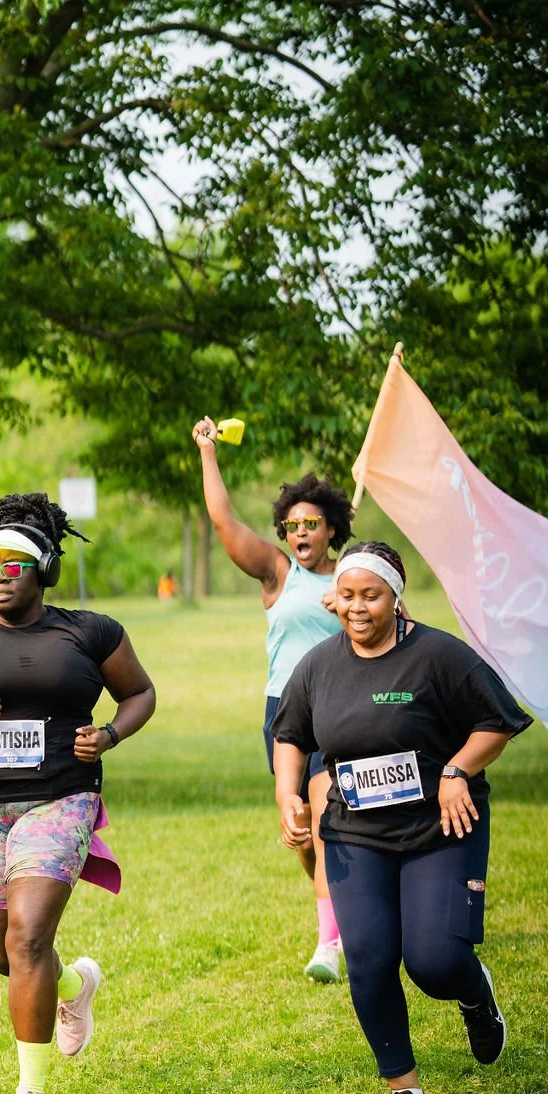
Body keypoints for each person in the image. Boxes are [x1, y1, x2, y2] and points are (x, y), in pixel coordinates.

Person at [0, 492, 156, 1094]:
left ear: (43, 569)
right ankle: (76, 985)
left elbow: (140, 694)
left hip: (62, 797)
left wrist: (109, 735)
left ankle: (31, 1088)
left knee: (26, 938)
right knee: (6, 956)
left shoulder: (89, 631)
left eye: (12, 566)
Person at [270, 541, 532, 1094]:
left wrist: (458, 769)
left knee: (434, 960)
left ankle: (473, 993)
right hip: (355, 831)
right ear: (332, 600)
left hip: (440, 824)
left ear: (396, 597)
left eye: (372, 595)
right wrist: (288, 794)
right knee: (367, 953)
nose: (358, 606)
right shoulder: (318, 665)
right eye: (347, 595)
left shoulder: (439, 656)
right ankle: (403, 1085)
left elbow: (498, 721)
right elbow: (290, 734)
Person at [192, 417, 354, 982]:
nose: (300, 534)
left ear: (332, 527)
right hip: (284, 712)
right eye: (291, 526)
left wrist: (353, 604)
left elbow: (395, 623)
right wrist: (208, 453)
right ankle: (336, 910)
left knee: (329, 816)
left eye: (311, 524)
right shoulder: (277, 573)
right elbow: (223, 520)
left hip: (342, 711)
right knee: (302, 828)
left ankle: (329, 947)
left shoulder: (354, 578)